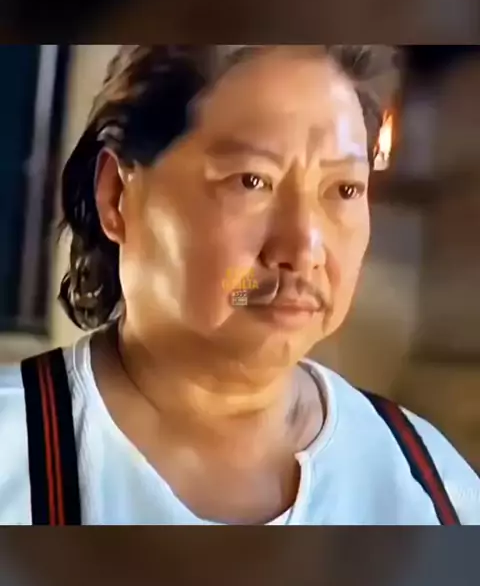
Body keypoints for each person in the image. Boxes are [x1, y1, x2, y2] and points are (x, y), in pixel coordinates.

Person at [0, 44, 479, 525]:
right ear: (117, 194)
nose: (303, 248)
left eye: (344, 189)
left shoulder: (431, 490)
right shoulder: (16, 457)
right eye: (251, 181)